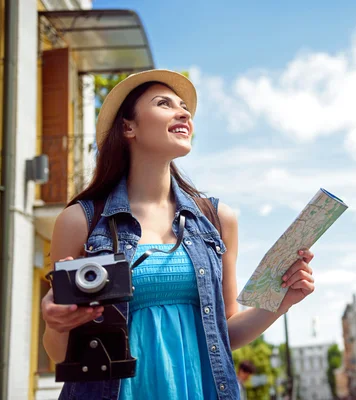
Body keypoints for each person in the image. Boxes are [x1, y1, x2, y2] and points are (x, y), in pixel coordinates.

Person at [40, 69, 316, 400]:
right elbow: (61, 354)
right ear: (129, 127)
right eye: (164, 104)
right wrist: (57, 323)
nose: (183, 112)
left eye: (183, 106)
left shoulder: (218, 219)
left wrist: (280, 304)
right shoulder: (80, 221)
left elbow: (224, 330)